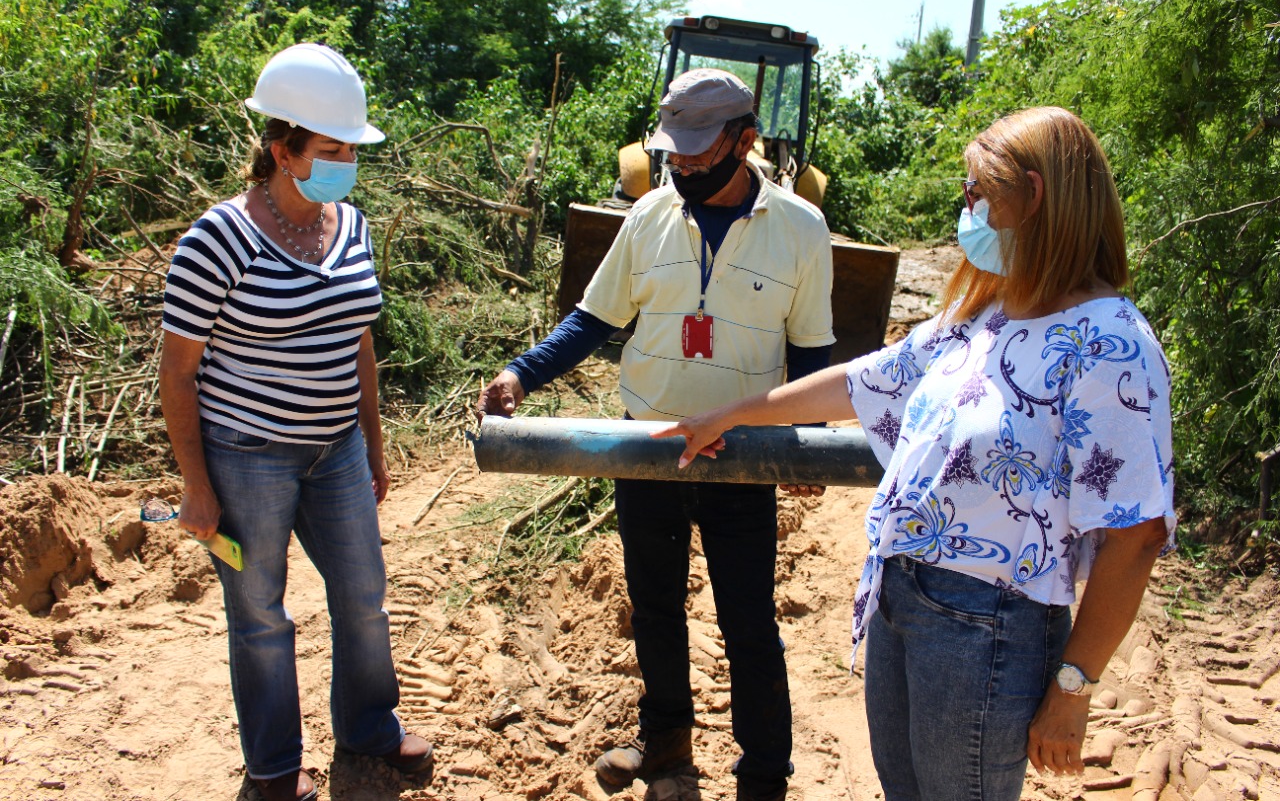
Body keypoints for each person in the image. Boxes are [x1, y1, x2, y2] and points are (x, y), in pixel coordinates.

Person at [656, 106, 1176, 801]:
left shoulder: (1109, 342)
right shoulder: (987, 317)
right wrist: (733, 414)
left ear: (1035, 194)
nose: (966, 211)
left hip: (988, 627)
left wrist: (1073, 686)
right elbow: (866, 378)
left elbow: (1136, 532)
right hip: (903, 597)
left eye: (976, 192)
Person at [477, 68, 835, 801]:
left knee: (747, 619)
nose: (685, 166)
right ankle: (666, 734)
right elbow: (595, 318)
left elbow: (811, 351)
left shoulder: (802, 228)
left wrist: (805, 437)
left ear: (746, 140)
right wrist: (522, 374)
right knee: (655, 603)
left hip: (742, 454)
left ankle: (765, 772)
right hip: (650, 445)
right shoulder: (648, 217)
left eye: (703, 151)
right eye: (676, 151)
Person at [158, 43, 432, 801]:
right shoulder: (218, 240)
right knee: (260, 613)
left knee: (363, 595)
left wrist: (372, 443)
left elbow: (360, 342)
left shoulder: (351, 228)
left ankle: (370, 727)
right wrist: (195, 486)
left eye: (352, 148)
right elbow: (178, 372)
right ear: (284, 150)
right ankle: (274, 766)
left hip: (335, 448)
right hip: (247, 457)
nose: (348, 161)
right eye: (334, 148)